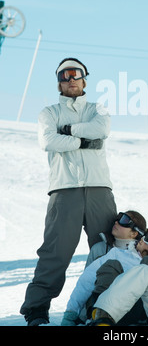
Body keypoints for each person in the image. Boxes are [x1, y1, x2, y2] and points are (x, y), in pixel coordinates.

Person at [20, 57, 117, 326]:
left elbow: (102, 129)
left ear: (85, 79)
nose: (70, 79)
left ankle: (102, 307)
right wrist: (86, 141)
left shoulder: (98, 109)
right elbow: (48, 140)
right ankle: (36, 310)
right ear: (59, 83)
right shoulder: (49, 113)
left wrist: (69, 132)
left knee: (108, 250)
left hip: (99, 189)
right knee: (55, 252)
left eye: (76, 74)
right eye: (64, 76)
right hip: (64, 190)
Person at [61, 215, 148, 326]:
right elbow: (87, 280)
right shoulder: (118, 254)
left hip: (146, 311)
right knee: (111, 265)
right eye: (145, 236)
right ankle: (101, 316)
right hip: (113, 308)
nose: (143, 239)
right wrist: (71, 312)